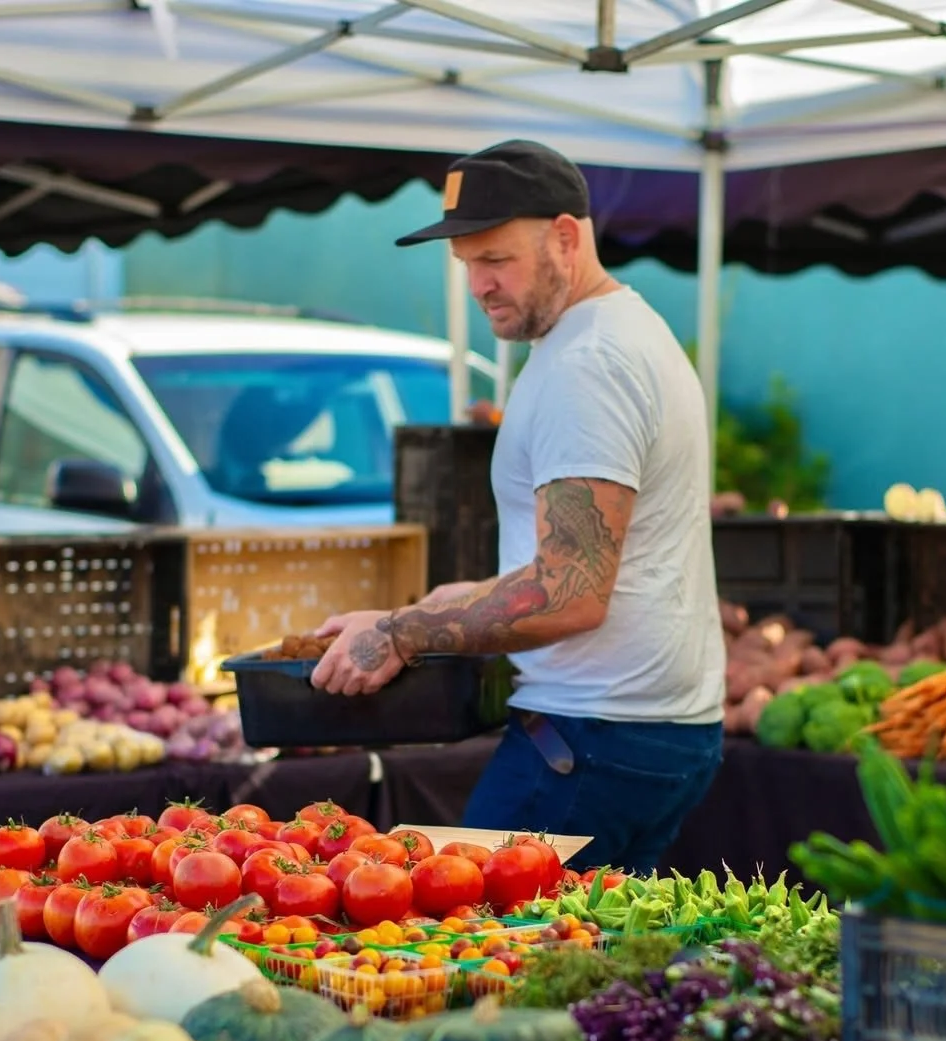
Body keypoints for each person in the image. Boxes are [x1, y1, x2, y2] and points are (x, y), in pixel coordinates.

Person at [311, 139, 725, 874]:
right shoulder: (616, 333)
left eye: (496, 259)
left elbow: (569, 593)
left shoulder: (588, 365)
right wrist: (446, 603)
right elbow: (589, 567)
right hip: (644, 732)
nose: (478, 284)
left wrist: (403, 634)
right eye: (467, 262)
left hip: (593, 738)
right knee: (589, 975)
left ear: (566, 237)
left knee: (473, 970)